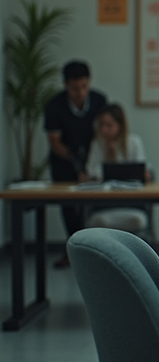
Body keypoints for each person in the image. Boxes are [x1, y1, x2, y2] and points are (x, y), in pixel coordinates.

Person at [44, 60, 107, 268]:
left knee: (95, 205)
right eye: (74, 88)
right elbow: (55, 141)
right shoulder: (54, 105)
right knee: (69, 208)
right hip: (65, 161)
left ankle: (96, 251)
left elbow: (104, 134)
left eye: (84, 87)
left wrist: (89, 166)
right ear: (65, 85)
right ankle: (71, 251)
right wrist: (76, 164)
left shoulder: (99, 101)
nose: (80, 93)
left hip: (93, 159)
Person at [84, 103, 152, 232]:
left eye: (109, 125)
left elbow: (141, 169)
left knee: (137, 220)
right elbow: (91, 172)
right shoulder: (98, 144)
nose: (104, 130)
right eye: (102, 125)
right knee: (98, 221)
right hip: (104, 204)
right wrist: (110, 157)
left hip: (131, 203)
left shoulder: (133, 142)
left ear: (120, 125)